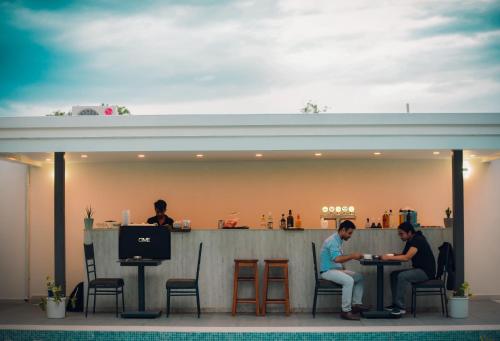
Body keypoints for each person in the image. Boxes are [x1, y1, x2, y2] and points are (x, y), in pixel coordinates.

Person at [381, 221, 436, 316]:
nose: (400, 236)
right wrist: (393, 255)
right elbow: (403, 255)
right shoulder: (410, 240)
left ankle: (400, 307)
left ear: (409, 232)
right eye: (399, 234)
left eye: (401, 234)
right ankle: (396, 304)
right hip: (418, 269)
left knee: (402, 276)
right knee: (394, 275)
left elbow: (406, 258)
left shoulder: (418, 240)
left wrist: (388, 257)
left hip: (426, 272)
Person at [319, 220, 369, 320]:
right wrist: (353, 256)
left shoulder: (338, 239)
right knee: (349, 281)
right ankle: (346, 311)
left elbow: (338, 258)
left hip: (335, 270)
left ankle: (356, 305)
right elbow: (336, 259)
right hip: (327, 271)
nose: (350, 236)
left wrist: (343, 268)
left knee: (359, 277)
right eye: (349, 233)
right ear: (342, 230)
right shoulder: (332, 241)